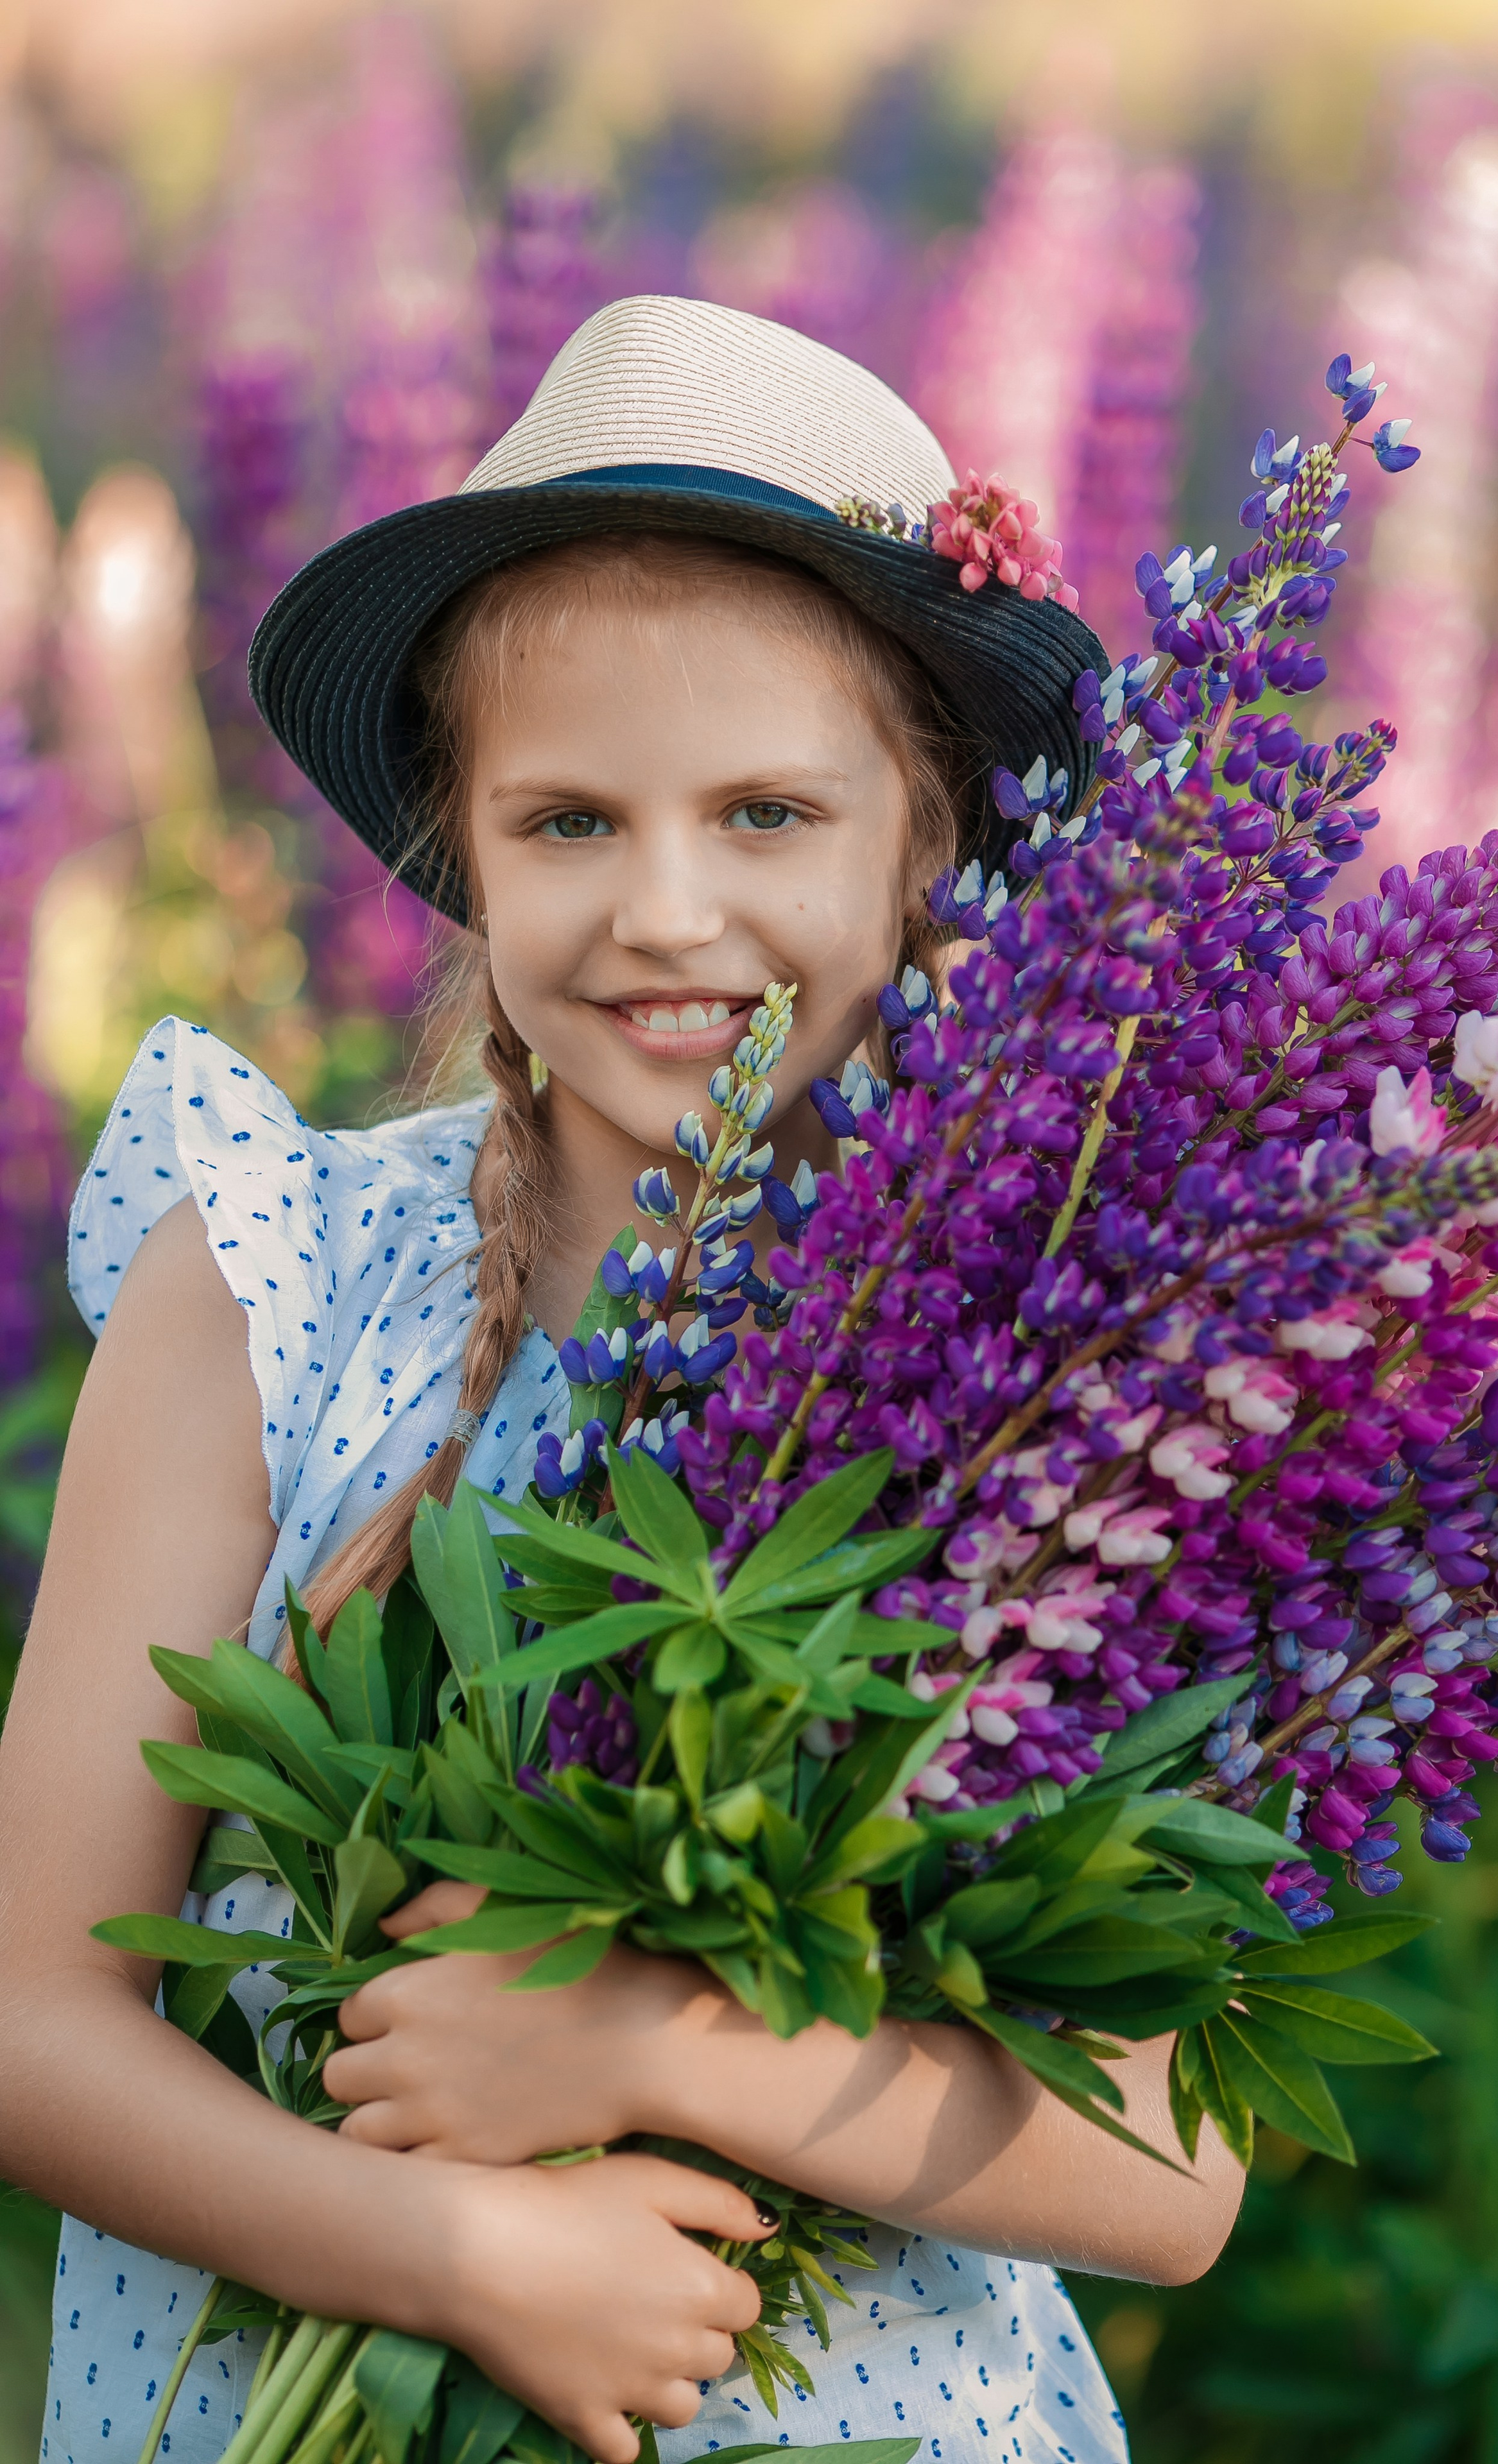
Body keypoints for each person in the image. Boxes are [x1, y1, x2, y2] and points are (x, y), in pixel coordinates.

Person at [0, 296, 1243, 2464]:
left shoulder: (1063, 1361)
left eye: (767, 812)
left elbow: (1168, 2162)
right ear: (455, 845)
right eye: (570, 822)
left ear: (924, 840)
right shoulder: (269, 1270)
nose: (671, 913)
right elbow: (28, 2017)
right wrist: (451, 2260)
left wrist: (644, 2048)